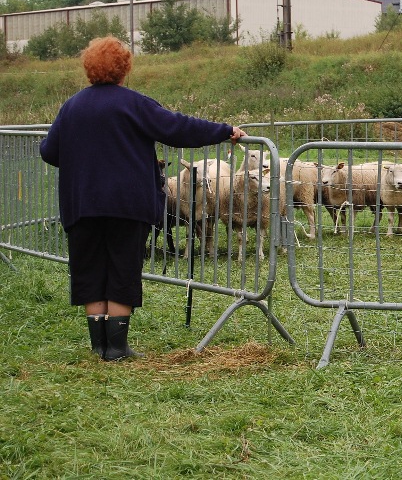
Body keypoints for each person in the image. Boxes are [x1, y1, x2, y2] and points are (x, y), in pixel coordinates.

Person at [39, 36, 246, 361]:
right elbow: (178, 128)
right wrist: (224, 130)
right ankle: (118, 348)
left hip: (82, 205)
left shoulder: (72, 107)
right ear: (124, 69)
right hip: (127, 204)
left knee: (90, 271)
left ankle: (99, 347)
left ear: (89, 69)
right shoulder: (134, 103)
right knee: (123, 269)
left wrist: (86, 160)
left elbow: (49, 152)